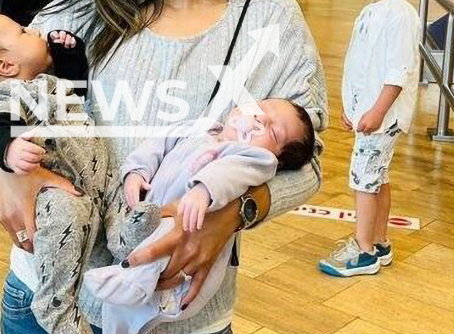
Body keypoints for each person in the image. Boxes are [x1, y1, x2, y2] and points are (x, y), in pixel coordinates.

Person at [0, 0, 327, 333]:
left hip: (175, 313)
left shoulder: (270, 19)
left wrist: (235, 210)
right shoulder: (88, 1)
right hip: (48, 296)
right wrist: (1, 170)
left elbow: (309, 159)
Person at [0, 14, 158, 334]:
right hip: (58, 188)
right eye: (22, 31)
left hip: (97, 172)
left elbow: (77, 86)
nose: (35, 29)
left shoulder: (48, 82)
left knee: (117, 192)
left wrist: (70, 52)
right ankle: (56, 305)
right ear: (5, 66)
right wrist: (9, 150)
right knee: (65, 219)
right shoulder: (4, 94)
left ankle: (124, 237)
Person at [84, 99, 316, 334]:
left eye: (274, 131)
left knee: (173, 230)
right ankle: (128, 282)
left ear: (279, 158)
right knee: (115, 314)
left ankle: (135, 280)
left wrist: (204, 189)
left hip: (188, 242)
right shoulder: (199, 128)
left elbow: (231, 173)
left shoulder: (256, 157)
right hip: (145, 223)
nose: (261, 119)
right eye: (261, 108)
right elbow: (157, 144)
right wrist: (136, 171)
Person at [319, 0, 419, 277]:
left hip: (382, 116)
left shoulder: (400, 15)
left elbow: (398, 70)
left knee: (363, 180)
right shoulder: (373, 10)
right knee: (378, 177)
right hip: (369, 112)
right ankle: (379, 240)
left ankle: (364, 252)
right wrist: (352, 105)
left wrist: (376, 111)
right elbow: (362, 65)